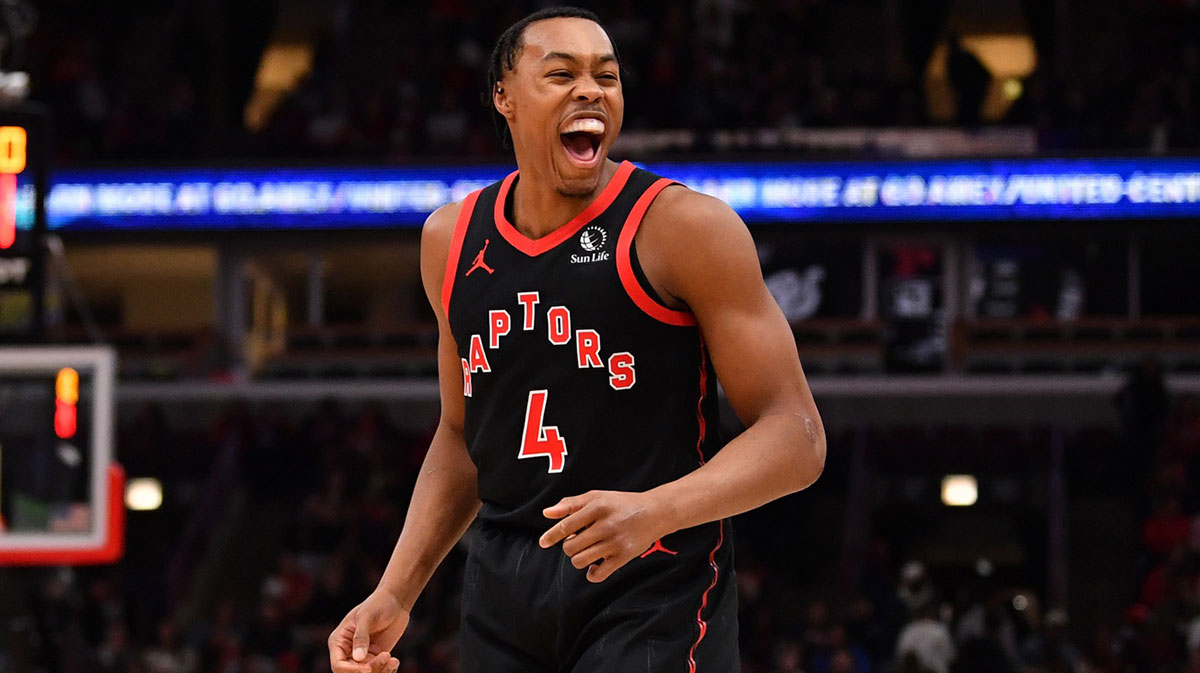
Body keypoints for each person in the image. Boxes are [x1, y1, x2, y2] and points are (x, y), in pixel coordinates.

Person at [327, 7, 826, 673]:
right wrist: (395, 590)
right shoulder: (450, 239)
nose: (590, 91)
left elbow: (797, 435)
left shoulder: (683, 227)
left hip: (653, 579)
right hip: (503, 589)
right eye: (561, 74)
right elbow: (462, 435)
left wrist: (656, 511)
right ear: (503, 97)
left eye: (607, 77)